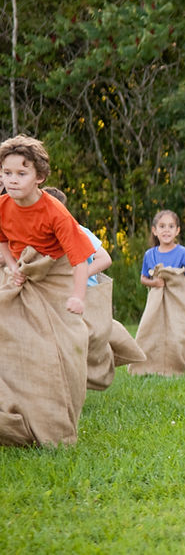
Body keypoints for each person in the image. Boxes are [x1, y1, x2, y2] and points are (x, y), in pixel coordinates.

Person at [0, 135, 93, 445]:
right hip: (21, 276)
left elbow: (80, 259)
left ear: (39, 177)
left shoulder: (55, 212)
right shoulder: (2, 205)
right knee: (12, 343)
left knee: (65, 347)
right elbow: (2, 240)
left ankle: (57, 419)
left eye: (21, 173)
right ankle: (17, 413)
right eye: (6, 173)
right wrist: (12, 267)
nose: (12, 180)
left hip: (55, 274)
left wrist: (78, 296)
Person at [42, 187, 145, 389]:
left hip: (85, 292)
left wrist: (81, 274)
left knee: (93, 335)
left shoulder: (79, 231)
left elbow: (104, 258)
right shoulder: (38, 236)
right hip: (56, 294)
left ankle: (94, 366)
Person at [128, 210, 185, 377]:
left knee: (180, 332)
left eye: (171, 226)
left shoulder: (183, 253)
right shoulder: (150, 255)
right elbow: (143, 279)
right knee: (150, 331)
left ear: (177, 231)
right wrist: (154, 282)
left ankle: (178, 366)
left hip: (177, 300)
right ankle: (147, 366)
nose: (166, 230)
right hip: (156, 301)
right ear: (154, 231)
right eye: (162, 226)